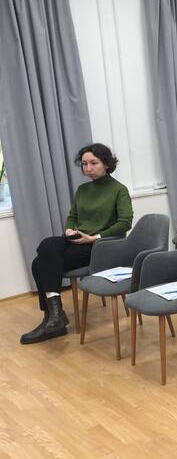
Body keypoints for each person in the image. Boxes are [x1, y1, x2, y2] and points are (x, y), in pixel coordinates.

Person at [21, 143, 134, 345]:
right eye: (84, 164)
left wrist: (94, 237)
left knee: (39, 264)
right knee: (47, 245)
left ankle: (53, 318)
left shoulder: (119, 190)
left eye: (94, 163)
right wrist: (69, 230)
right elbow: (72, 216)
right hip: (77, 240)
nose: (88, 168)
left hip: (100, 246)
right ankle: (54, 317)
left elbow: (125, 223)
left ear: (107, 164)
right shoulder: (83, 190)